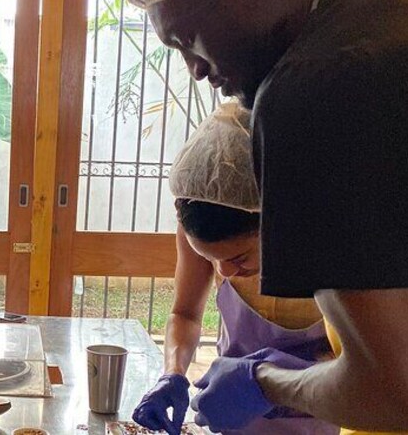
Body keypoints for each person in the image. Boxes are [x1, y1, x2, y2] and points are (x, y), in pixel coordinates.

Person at [120, 0, 408, 432]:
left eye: (187, 39)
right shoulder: (396, 3)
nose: (197, 70)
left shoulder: (315, 87)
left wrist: (259, 380)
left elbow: (395, 392)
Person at [132, 102, 336, 435]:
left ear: (274, 223)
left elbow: (371, 369)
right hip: (235, 422)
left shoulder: (333, 248)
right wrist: (173, 373)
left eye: (239, 258)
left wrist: (274, 378)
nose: (224, 273)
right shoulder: (202, 223)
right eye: (212, 258)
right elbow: (185, 314)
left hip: (325, 419)